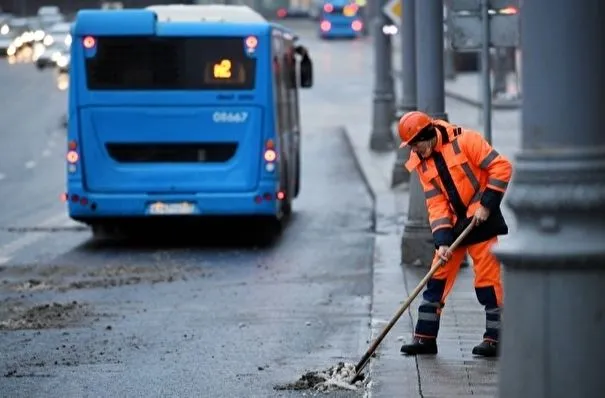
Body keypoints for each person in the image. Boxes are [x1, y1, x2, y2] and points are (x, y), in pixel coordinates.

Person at [397, 111, 512, 358]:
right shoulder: (421, 162)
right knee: (437, 276)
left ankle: (495, 338)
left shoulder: (466, 140)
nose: (416, 151)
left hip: (482, 219)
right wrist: (442, 242)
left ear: (427, 135)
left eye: (417, 145)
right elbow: (436, 204)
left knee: (487, 280)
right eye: (412, 147)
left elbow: (501, 167)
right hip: (455, 226)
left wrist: (486, 203)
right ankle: (425, 338)